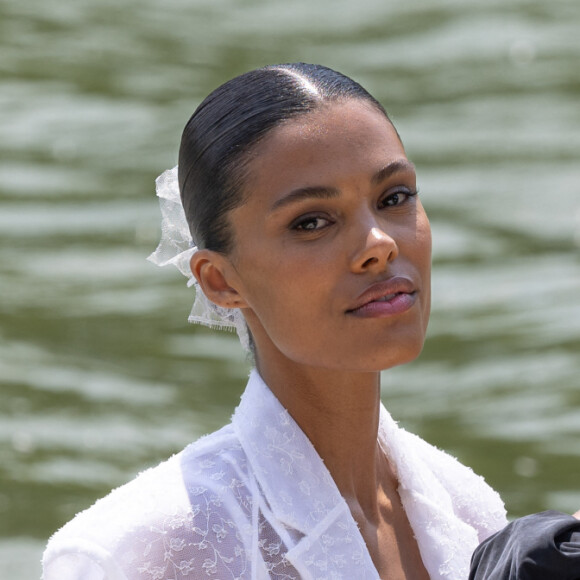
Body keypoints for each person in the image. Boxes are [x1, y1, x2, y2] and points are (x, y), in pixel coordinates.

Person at [42, 63, 508, 580]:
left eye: (394, 198)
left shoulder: (470, 511)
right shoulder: (137, 552)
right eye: (311, 222)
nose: (379, 243)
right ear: (220, 281)